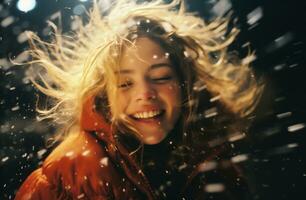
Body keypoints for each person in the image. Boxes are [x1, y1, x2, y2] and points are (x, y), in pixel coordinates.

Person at [15, 0, 263, 199]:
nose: (145, 93)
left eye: (161, 76)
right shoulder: (64, 182)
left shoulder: (219, 166)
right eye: (124, 83)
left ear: (186, 84)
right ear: (104, 96)